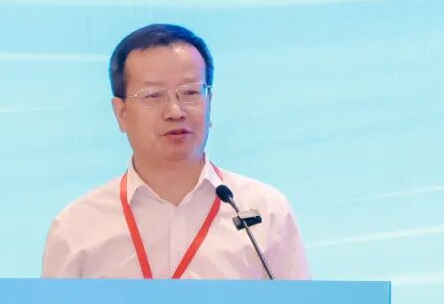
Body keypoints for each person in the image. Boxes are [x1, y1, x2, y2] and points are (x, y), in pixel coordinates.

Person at [41, 23, 310, 280]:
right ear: (121, 113)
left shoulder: (266, 211)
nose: (175, 111)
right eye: (153, 95)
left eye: (191, 92)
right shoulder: (77, 227)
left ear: (209, 102)